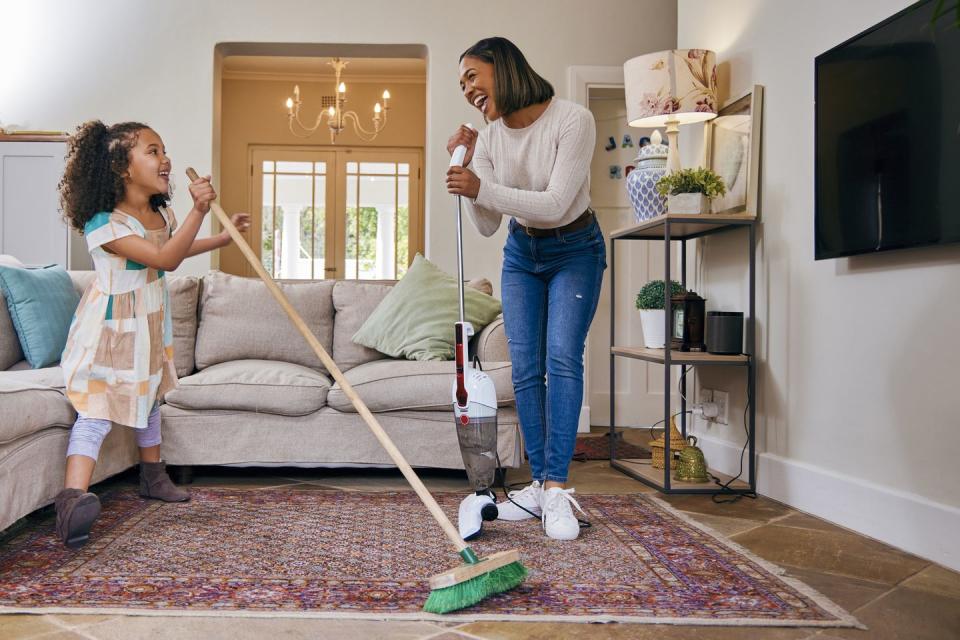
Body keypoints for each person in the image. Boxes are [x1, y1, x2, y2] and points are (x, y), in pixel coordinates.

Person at [54, 120, 250, 548]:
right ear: (121, 167)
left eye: (164, 150)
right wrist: (199, 210)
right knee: (98, 407)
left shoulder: (159, 213)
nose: (165, 160)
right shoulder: (104, 223)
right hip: (109, 330)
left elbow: (175, 244)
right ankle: (73, 499)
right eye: (152, 151)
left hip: (147, 323)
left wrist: (219, 236)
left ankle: (152, 475)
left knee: (150, 395)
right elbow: (165, 259)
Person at [446, 37, 606, 541]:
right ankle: (536, 484)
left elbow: (557, 203)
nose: (468, 89)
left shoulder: (572, 119)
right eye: (462, 83)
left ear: (503, 67)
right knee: (527, 366)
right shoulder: (490, 138)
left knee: (561, 357)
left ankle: (558, 487)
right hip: (521, 251)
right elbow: (491, 223)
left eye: (473, 75)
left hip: (575, 247)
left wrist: (481, 186)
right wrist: (471, 169)